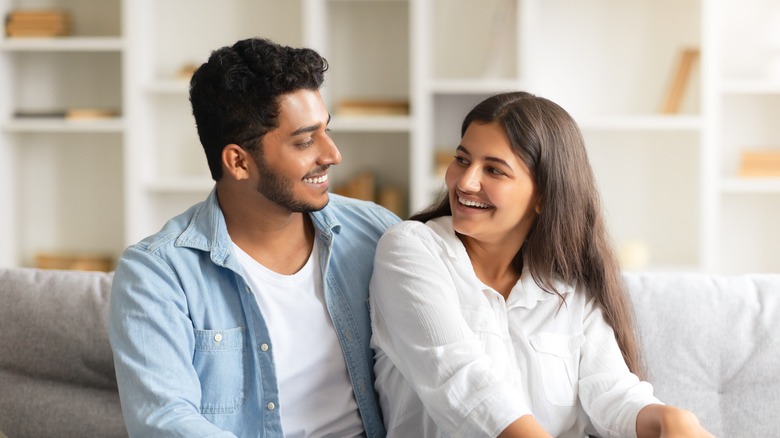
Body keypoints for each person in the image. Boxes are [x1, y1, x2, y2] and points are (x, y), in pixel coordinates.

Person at [369, 91, 714, 438]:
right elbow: (459, 379)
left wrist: (668, 420)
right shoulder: (410, 250)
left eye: (494, 170)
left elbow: (612, 394)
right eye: (462, 159)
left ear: (544, 196)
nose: (464, 182)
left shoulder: (567, 286)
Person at [108, 37, 399, 437]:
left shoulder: (377, 234)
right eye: (304, 140)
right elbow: (165, 422)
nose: (332, 154)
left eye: (326, 131)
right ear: (239, 162)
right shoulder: (157, 275)